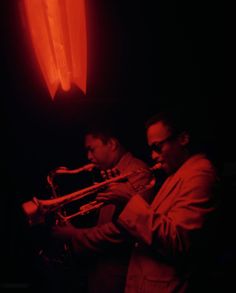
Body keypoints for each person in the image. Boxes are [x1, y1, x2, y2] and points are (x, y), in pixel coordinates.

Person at [99, 109, 219, 293]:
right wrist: (123, 202)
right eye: (151, 149)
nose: (153, 156)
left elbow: (179, 242)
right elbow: (149, 229)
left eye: (158, 147)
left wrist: (130, 201)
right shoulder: (176, 174)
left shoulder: (200, 173)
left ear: (183, 139)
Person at [52, 120, 153, 293]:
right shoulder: (111, 173)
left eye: (92, 149)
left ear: (112, 144)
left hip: (119, 277)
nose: (89, 157)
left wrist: (74, 234)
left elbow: (122, 232)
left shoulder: (137, 172)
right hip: (103, 272)